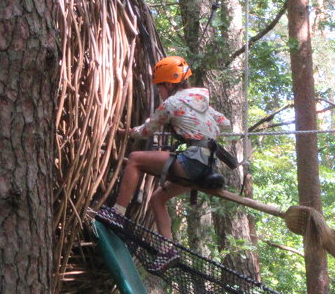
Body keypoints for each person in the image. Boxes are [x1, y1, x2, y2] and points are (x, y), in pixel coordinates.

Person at [99, 55, 234, 271]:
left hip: (191, 162)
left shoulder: (171, 103)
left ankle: (117, 213)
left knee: (135, 160)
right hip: (208, 166)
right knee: (157, 199)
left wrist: (124, 132)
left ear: (170, 83)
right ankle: (168, 249)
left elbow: (145, 132)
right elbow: (225, 123)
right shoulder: (205, 106)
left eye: (160, 87)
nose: (159, 92)